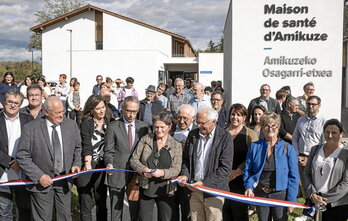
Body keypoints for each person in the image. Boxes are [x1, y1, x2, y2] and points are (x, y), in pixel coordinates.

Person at [16, 96, 82, 221]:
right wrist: (39, 176)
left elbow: (78, 148)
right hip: (42, 183)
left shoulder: (71, 125)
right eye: (57, 113)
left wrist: (76, 164)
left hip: (64, 180)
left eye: (62, 111)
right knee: (43, 218)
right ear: (46, 112)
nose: (61, 115)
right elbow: (22, 156)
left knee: (65, 217)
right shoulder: (31, 128)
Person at [177, 107, 234, 221]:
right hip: (195, 191)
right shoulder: (193, 135)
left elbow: (225, 168)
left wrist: (204, 183)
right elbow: (187, 160)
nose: (198, 126)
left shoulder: (225, 137)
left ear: (214, 121)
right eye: (197, 122)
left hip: (214, 192)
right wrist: (185, 175)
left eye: (202, 123)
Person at [244, 112, 299, 221]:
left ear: (278, 128)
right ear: (262, 127)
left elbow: (294, 177)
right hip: (261, 193)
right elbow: (248, 170)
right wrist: (249, 186)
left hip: (280, 195)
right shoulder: (254, 147)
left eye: (274, 126)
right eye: (267, 125)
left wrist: (291, 200)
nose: (270, 129)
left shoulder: (288, 148)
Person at [130, 111, 182, 221]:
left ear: (169, 126)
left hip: (166, 189)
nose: (159, 130)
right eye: (156, 127)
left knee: (165, 219)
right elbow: (134, 160)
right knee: (144, 218)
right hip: (146, 187)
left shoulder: (176, 145)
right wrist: (143, 169)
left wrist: (163, 173)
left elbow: (177, 168)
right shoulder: (145, 139)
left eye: (162, 127)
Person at [104, 96, 149, 221]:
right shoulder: (113, 126)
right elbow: (108, 150)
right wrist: (109, 163)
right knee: (116, 210)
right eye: (128, 111)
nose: (131, 114)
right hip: (117, 171)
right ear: (122, 109)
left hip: (136, 174)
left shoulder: (143, 127)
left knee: (135, 210)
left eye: (134, 111)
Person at [76, 94, 112, 221]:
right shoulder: (86, 123)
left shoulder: (109, 122)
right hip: (87, 165)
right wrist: (87, 164)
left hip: (102, 167)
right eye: (98, 108)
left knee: (101, 201)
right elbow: (86, 144)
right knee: (85, 202)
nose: (102, 110)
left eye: (103, 107)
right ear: (91, 110)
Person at [303, 119, 348, 221]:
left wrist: (324, 199)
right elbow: (306, 173)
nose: (330, 135)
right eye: (327, 132)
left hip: (337, 205)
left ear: (341, 134)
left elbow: (346, 183)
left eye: (334, 132)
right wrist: (312, 194)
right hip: (314, 201)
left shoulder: (346, 153)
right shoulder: (315, 149)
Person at [0, 89, 33, 220]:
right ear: (4, 102)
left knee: (25, 209)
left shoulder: (29, 120)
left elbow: (34, 145)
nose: (13, 105)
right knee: (4, 211)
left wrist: (21, 162)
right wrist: (9, 162)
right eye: (10, 102)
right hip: (3, 172)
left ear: (21, 105)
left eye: (16, 103)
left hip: (23, 172)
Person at [223, 103, 258, 221]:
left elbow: (253, 157)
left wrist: (237, 172)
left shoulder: (250, 134)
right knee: (225, 213)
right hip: (224, 180)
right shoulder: (222, 133)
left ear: (244, 118)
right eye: (233, 114)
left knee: (239, 214)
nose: (235, 117)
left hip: (241, 181)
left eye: (239, 115)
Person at [292, 95, 326, 199]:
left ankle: (316, 210)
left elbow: (324, 143)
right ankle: (308, 209)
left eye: (313, 104)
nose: (310, 106)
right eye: (308, 104)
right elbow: (295, 138)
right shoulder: (301, 120)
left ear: (319, 106)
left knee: (315, 185)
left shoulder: (323, 121)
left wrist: (312, 158)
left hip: (315, 158)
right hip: (301, 157)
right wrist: (297, 154)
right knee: (305, 184)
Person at [171, 104, 196, 221]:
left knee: (188, 213)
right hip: (171, 179)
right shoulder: (170, 130)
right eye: (179, 117)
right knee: (171, 212)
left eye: (185, 118)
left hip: (189, 179)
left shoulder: (198, 132)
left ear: (193, 118)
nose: (181, 121)